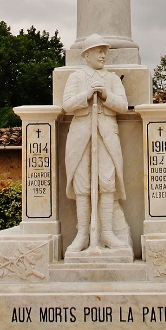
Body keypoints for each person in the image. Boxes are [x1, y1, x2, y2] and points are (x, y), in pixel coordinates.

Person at [63, 34, 128, 251]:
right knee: (82, 183)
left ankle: (107, 233)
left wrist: (106, 94)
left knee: (107, 182)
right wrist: (87, 94)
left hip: (107, 133)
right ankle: (82, 234)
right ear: (87, 54)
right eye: (98, 51)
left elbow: (123, 105)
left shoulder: (111, 78)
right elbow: (67, 105)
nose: (103, 55)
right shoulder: (76, 76)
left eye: (104, 51)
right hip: (81, 133)